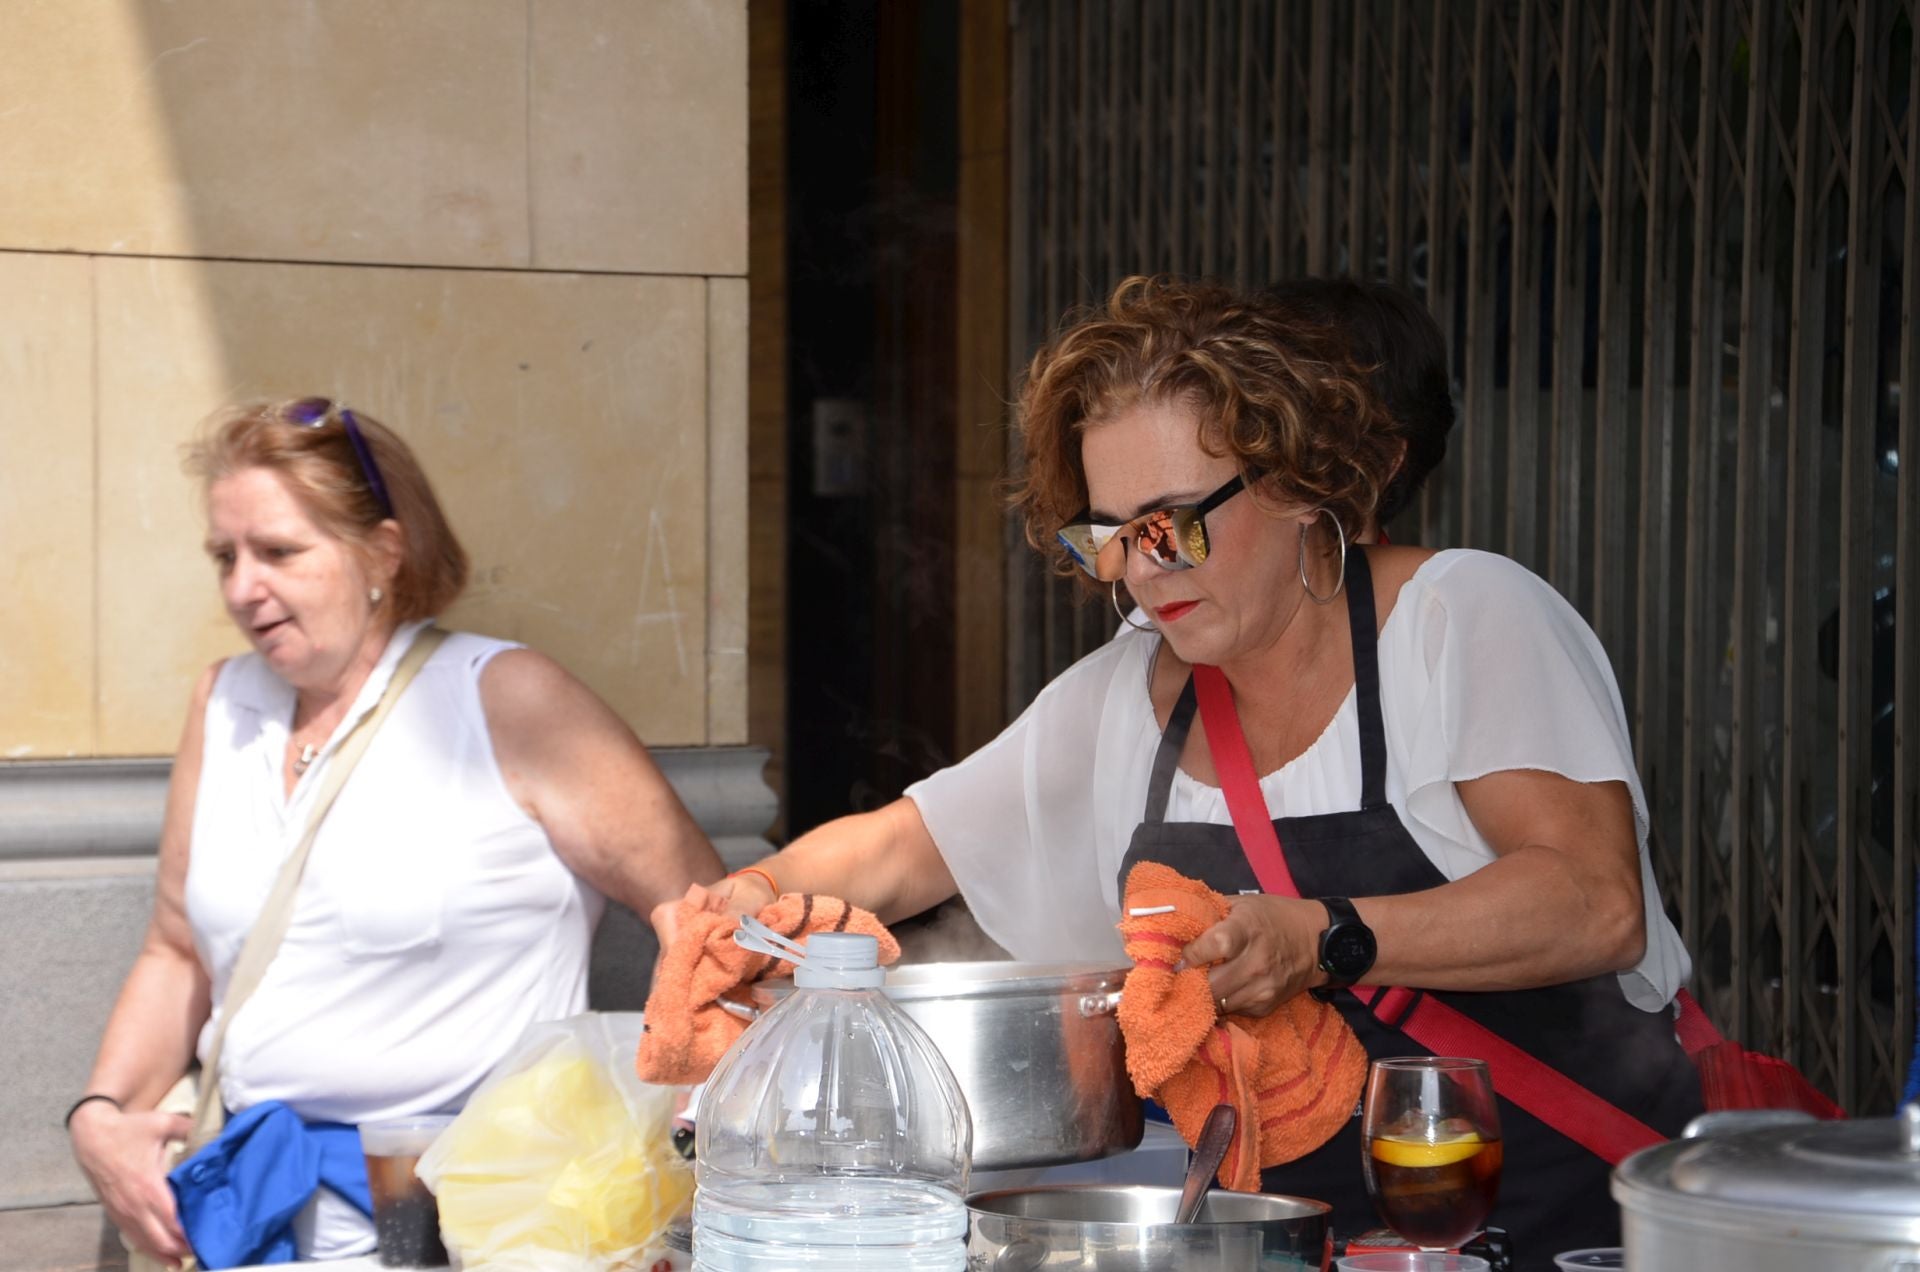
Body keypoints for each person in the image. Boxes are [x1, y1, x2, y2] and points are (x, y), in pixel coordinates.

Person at [660, 278, 1700, 1266]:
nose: (1141, 570)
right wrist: (745, 903)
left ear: (1296, 481)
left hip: (1557, 1230)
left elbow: (1593, 900)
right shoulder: (1128, 695)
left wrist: (1322, 937)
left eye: (1170, 524)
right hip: (1284, 1248)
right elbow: (899, 848)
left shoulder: (1458, 618)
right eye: (1109, 537)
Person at [68, 397, 726, 1266]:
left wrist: (692, 1138)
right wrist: (102, 1116)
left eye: (278, 552)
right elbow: (176, 949)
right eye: (225, 556)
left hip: (481, 1224)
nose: (240, 588)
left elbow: (711, 921)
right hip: (254, 1216)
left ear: (383, 550)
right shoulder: (223, 704)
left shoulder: (507, 698)